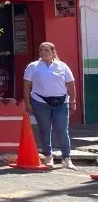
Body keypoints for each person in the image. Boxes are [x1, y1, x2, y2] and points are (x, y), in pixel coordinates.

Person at [23, 42, 77, 170]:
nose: (43, 52)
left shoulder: (62, 66)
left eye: (46, 50)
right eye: (41, 50)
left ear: (53, 52)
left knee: (62, 130)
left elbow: (71, 84)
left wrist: (73, 101)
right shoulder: (33, 66)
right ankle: (48, 156)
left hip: (61, 103)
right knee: (45, 130)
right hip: (40, 102)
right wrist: (28, 102)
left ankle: (66, 158)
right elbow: (26, 85)